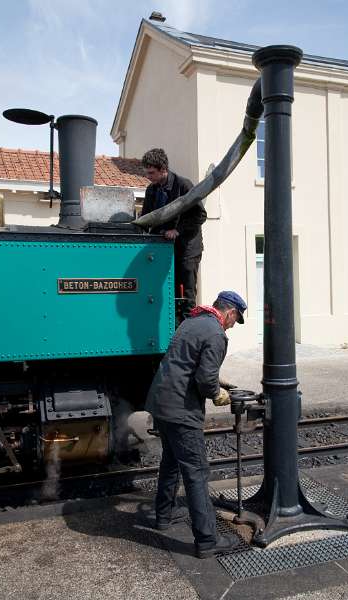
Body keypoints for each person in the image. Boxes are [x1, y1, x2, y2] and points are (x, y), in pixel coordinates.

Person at [145, 290, 247, 559]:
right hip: (181, 410)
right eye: (235, 320)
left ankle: (163, 516)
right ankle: (207, 540)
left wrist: (216, 379)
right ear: (230, 313)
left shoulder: (191, 322)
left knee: (171, 462)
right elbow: (204, 380)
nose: (232, 326)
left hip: (161, 404)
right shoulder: (216, 333)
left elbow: (186, 362)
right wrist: (217, 393)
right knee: (197, 472)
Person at [141, 148, 207, 321]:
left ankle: (186, 329)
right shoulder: (151, 190)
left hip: (187, 249)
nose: (148, 176)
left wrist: (177, 231)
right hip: (164, 249)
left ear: (163, 169)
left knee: (186, 293)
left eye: (152, 173)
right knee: (167, 291)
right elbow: (146, 219)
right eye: (147, 173)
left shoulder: (184, 185)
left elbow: (200, 215)